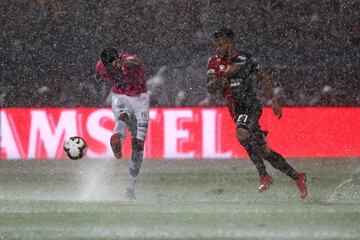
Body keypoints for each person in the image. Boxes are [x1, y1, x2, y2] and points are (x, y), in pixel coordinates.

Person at [206, 28, 308, 199]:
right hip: (236, 110)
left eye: (221, 43)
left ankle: (264, 176)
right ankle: (298, 177)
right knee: (264, 151)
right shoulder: (213, 62)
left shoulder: (246, 58)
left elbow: (263, 78)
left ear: (231, 42)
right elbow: (210, 87)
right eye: (216, 43)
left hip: (251, 106)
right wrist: (226, 75)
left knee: (242, 134)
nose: (218, 47)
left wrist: (274, 100)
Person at [95, 47, 149, 200]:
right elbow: (98, 76)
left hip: (140, 98)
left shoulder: (129, 61)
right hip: (120, 96)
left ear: (118, 60)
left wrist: (126, 63)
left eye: (112, 66)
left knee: (138, 144)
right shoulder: (102, 66)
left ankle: (119, 135)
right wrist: (102, 77)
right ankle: (119, 136)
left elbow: (135, 60)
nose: (110, 70)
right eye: (108, 67)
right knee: (123, 116)